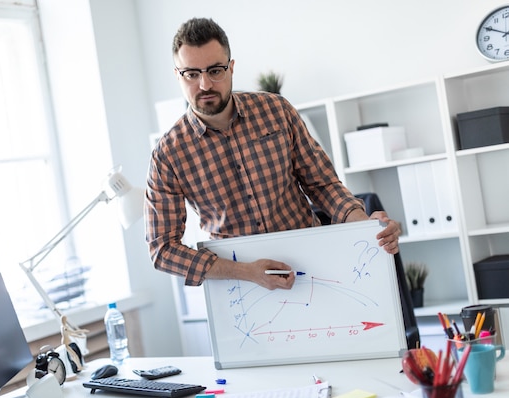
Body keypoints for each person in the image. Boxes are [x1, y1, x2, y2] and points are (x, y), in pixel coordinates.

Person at [145, 17, 401, 291]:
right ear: (178, 75)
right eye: (192, 74)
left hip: (312, 267)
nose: (205, 84)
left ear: (231, 68)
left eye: (215, 70)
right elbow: (162, 249)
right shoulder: (168, 154)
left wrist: (366, 227)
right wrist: (244, 271)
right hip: (238, 287)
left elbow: (322, 184)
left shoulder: (276, 110)